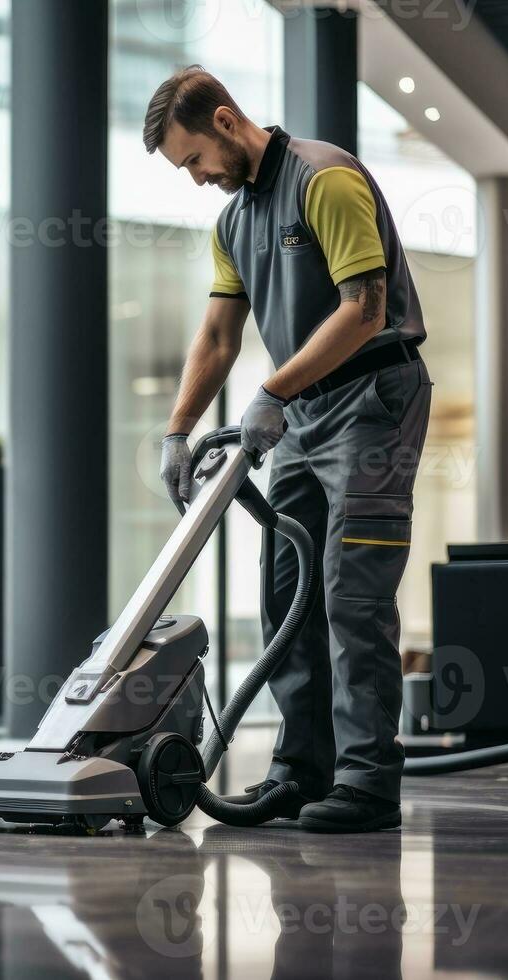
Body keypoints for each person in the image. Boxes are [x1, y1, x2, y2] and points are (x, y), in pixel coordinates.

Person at [145, 66, 432, 833]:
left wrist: (270, 394)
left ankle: (368, 781)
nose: (198, 179)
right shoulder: (233, 222)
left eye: (195, 160)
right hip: (301, 417)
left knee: (351, 591)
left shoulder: (325, 178)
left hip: (373, 401)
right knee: (289, 594)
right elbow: (217, 336)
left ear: (228, 123)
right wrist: (178, 430)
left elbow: (364, 310)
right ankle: (302, 772)